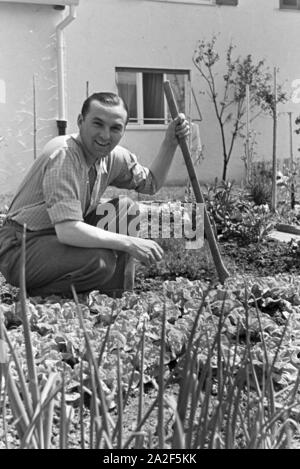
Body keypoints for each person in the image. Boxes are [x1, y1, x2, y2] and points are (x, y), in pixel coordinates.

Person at [0, 92, 189, 297]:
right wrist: (130, 242)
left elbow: (151, 183)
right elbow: (68, 230)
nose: (105, 135)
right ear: (81, 121)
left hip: (56, 239)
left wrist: (171, 142)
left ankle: (115, 298)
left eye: (115, 128)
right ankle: (39, 296)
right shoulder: (64, 155)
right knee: (100, 262)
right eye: (97, 124)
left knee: (124, 209)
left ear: (123, 130)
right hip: (21, 247)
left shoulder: (113, 157)